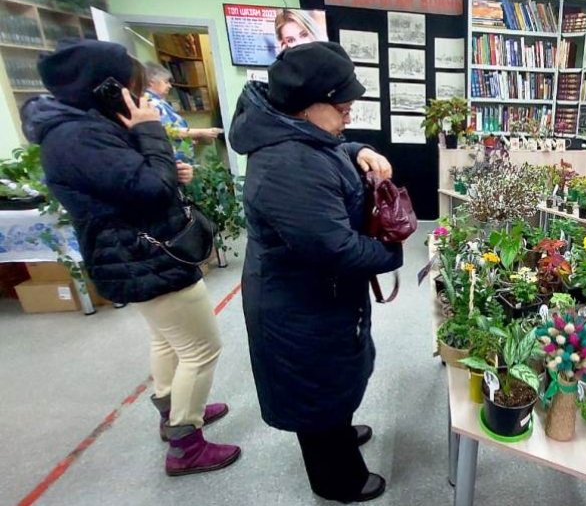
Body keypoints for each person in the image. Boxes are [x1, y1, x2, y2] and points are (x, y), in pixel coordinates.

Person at [21, 39, 240, 476]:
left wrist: (162, 163)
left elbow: (134, 181)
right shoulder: (78, 136)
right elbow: (150, 192)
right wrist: (151, 133)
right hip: (142, 254)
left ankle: (170, 412)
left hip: (133, 252)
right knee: (202, 348)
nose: (139, 94)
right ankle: (186, 443)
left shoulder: (81, 126)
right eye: (129, 84)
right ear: (105, 87)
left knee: (167, 339)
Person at [229, 41, 401, 503]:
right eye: (342, 105)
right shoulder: (288, 164)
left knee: (333, 378)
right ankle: (337, 481)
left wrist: (358, 148)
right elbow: (336, 248)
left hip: (312, 295)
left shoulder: (292, 133)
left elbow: (330, 147)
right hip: (298, 304)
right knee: (315, 385)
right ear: (309, 105)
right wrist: (391, 251)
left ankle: (337, 429)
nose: (349, 111)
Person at [143, 61, 222, 152]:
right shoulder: (152, 103)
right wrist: (202, 132)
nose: (170, 86)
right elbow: (170, 132)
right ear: (151, 82)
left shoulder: (159, 102)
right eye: (166, 82)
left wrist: (188, 139)